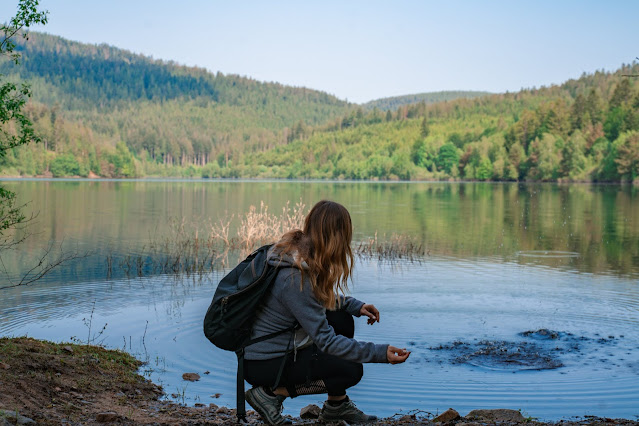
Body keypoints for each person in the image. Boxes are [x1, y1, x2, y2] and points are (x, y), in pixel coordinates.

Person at [243, 200, 410, 425]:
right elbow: (327, 342)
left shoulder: (295, 254)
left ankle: (336, 406)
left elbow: (315, 301)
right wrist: (380, 353)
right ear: (335, 237)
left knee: (342, 318)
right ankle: (272, 394)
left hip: (268, 350)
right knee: (350, 369)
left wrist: (353, 305)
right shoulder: (294, 278)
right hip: (265, 362)